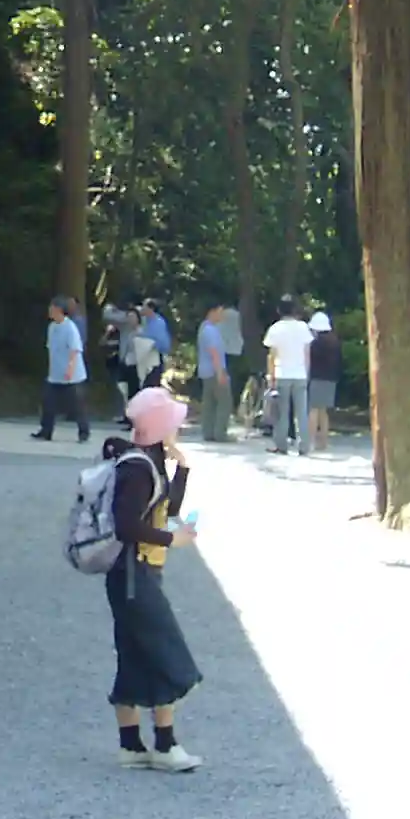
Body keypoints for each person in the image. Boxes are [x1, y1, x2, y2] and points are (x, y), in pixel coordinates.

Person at [103, 384, 204, 772]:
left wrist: (182, 468)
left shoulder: (147, 461)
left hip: (136, 572)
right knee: (165, 653)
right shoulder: (137, 469)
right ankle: (165, 744)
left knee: (134, 654)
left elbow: (169, 508)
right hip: (134, 572)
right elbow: (126, 525)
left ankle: (131, 745)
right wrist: (171, 538)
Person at [33, 295, 90, 442]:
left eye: (52, 308)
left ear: (59, 310)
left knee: (77, 405)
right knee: (48, 402)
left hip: (72, 375)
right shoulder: (52, 327)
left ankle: (84, 432)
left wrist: (70, 368)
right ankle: (46, 430)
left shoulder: (70, 327)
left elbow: (75, 350)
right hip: (55, 374)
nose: (49, 311)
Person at [263, 295, 315, 455]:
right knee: (301, 412)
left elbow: (272, 356)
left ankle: (281, 445)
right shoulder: (303, 327)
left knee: (282, 413)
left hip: (282, 373)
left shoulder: (275, 328)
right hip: (300, 374)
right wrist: (306, 373)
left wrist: (271, 376)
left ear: (279, 310)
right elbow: (307, 353)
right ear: (295, 309)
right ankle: (304, 446)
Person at [196, 303, 232, 442]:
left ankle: (208, 432)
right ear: (212, 311)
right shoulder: (211, 330)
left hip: (205, 371)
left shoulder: (204, 327)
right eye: (220, 311)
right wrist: (220, 373)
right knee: (224, 402)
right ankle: (220, 433)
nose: (222, 315)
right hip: (214, 370)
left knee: (209, 403)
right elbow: (214, 353)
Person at [307, 311, 342, 453]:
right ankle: (323, 443)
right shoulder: (335, 342)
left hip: (317, 378)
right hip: (331, 379)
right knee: (323, 411)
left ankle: (310, 441)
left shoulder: (315, 344)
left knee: (313, 410)